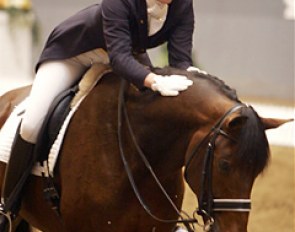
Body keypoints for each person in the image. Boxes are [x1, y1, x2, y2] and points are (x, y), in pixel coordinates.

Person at [0, 0, 197, 229]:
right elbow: (120, 57)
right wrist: (153, 80)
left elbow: (180, 60)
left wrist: (189, 80)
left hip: (124, 54)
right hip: (74, 52)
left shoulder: (182, 4)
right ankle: (7, 205)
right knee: (31, 124)